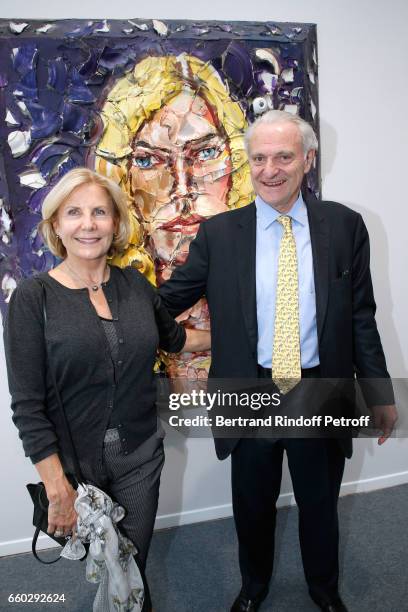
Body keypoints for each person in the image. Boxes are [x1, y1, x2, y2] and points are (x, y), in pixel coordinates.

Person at [158, 110, 397, 611]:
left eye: (283, 156)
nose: (271, 169)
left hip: (320, 390)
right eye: (260, 158)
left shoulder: (345, 227)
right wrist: (102, 298)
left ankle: (324, 590)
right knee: (252, 505)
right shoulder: (220, 234)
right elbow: (166, 300)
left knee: (319, 503)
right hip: (249, 391)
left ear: (307, 160)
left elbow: (361, 317)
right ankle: (254, 588)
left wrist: (378, 392)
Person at [3, 167, 210, 611]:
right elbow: (27, 405)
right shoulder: (31, 299)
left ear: (115, 223)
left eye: (100, 212)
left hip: (140, 457)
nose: (88, 223)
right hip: (77, 471)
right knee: (108, 568)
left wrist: (241, 332)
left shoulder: (135, 285)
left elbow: (176, 340)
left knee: (128, 567)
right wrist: (57, 488)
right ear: (56, 225)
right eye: (74, 212)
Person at [92, 53, 253, 380]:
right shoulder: (120, 295)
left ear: (235, 165)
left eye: (206, 153)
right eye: (149, 161)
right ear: (124, 180)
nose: (182, 187)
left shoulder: (266, 272)